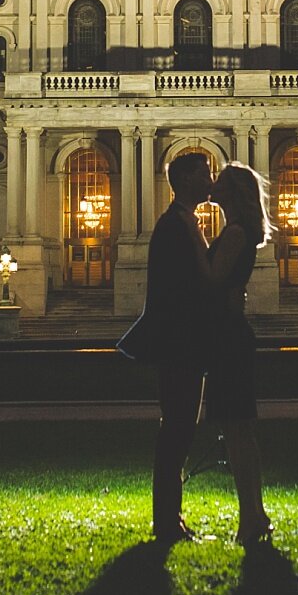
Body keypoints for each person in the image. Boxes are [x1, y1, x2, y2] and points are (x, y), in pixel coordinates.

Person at [117, 151, 218, 542]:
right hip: (180, 343)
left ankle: (170, 519)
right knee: (177, 429)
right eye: (205, 173)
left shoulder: (180, 222)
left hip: (183, 340)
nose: (211, 179)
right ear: (188, 180)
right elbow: (184, 288)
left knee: (179, 429)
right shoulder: (176, 225)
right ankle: (166, 521)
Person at [201, 161, 273, 546]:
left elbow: (211, 278)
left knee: (236, 430)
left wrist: (193, 246)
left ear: (231, 193)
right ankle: (255, 515)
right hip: (233, 334)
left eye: (220, 180)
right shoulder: (240, 231)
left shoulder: (233, 234)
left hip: (227, 337)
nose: (212, 183)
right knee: (240, 429)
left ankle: (252, 518)